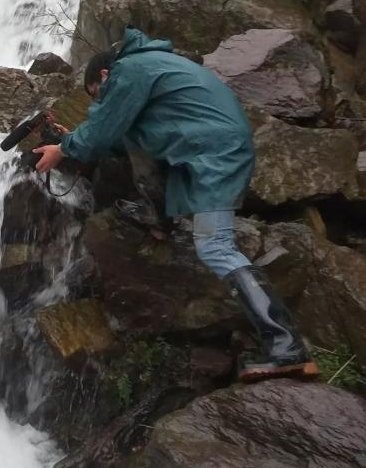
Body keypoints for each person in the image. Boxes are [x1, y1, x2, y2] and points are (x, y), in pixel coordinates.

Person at [34, 26, 318, 383]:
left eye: (96, 94)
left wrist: (65, 148)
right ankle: (160, 217)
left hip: (216, 154)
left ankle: (287, 346)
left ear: (104, 75)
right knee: (130, 141)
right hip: (208, 149)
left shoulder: (131, 69)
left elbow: (102, 130)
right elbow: (123, 140)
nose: (99, 102)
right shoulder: (154, 67)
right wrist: (70, 140)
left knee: (215, 247)